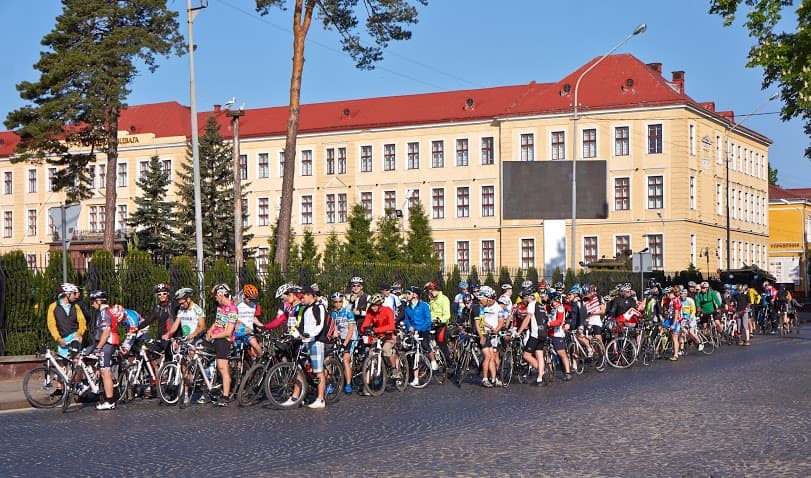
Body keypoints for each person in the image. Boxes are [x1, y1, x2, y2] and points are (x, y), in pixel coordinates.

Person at [205, 283, 238, 406]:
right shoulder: (220, 307)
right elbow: (217, 322)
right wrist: (209, 330)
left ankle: (225, 396)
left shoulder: (233, 309)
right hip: (215, 337)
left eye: (217, 296)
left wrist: (214, 335)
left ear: (221, 295)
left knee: (222, 367)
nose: (215, 298)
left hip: (224, 339)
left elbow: (228, 331)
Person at [87, 290, 120, 410]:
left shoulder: (104, 313)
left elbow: (106, 332)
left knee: (105, 372)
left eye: (93, 302)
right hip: (105, 344)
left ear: (99, 301)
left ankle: (110, 401)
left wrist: (98, 347)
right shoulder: (104, 311)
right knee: (103, 370)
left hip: (106, 344)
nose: (92, 305)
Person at [299, 285, 330, 409]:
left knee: (318, 371)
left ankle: (321, 398)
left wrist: (310, 335)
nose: (302, 299)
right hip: (306, 341)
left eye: (303, 296)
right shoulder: (306, 309)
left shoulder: (319, 307)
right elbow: (303, 326)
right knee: (304, 367)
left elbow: (320, 325)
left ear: (310, 295)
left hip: (316, 341)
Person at [361, 293, 401, 384]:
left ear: (380, 305)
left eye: (375, 306)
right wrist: (365, 329)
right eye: (371, 306)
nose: (373, 308)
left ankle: (394, 369)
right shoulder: (370, 312)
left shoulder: (388, 310)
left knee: (386, 350)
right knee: (371, 355)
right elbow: (365, 325)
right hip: (377, 337)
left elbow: (391, 326)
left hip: (388, 336)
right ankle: (367, 384)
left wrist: (376, 330)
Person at [515, 287, 548, 385]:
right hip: (543, 333)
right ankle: (540, 379)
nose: (523, 300)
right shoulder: (541, 305)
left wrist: (519, 332)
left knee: (526, 355)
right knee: (539, 355)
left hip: (535, 334)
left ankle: (541, 371)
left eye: (524, 298)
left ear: (527, 297)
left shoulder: (531, 304)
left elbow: (527, 319)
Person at [404, 286, 436, 386]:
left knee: (425, 344)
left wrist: (420, 328)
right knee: (414, 355)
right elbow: (407, 320)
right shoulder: (407, 308)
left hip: (424, 329)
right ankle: (416, 378)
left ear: (415, 295)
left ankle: (433, 360)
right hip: (414, 331)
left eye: (409, 293)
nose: (407, 295)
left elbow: (428, 320)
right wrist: (409, 327)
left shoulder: (424, 306)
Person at [47, 283, 87, 359]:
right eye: (73, 293)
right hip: (62, 338)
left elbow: (82, 321)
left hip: (74, 336)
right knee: (65, 362)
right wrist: (58, 338)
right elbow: (51, 324)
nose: (75, 296)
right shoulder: (53, 307)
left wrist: (80, 333)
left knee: (75, 358)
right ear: (67, 294)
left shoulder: (76, 307)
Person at [330, 292, 358, 394]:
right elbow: (334, 329)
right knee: (331, 357)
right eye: (336, 302)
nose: (338, 304)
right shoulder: (333, 313)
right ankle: (330, 383)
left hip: (351, 338)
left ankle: (348, 384)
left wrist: (345, 343)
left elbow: (351, 330)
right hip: (340, 338)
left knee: (345, 359)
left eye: (340, 302)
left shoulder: (348, 312)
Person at [476, 286, 503, 388]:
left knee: (494, 357)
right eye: (488, 299)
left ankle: (494, 377)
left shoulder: (498, 308)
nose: (489, 301)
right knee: (488, 356)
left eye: (491, 299)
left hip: (493, 334)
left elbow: (501, 321)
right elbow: (479, 322)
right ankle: (486, 377)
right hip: (484, 333)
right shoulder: (481, 307)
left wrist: (496, 329)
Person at [424, 281, 450, 370]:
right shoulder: (432, 300)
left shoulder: (444, 299)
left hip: (440, 325)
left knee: (441, 343)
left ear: (433, 290)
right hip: (431, 324)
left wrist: (440, 320)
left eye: (429, 291)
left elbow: (447, 315)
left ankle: (448, 363)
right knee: (425, 340)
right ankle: (432, 360)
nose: (428, 294)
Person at [547, 291, 572, 381]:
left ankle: (568, 372)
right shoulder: (551, 308)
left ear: (557, 300)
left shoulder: (560, 308)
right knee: (547, 353)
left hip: (557, 334)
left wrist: (549, 324)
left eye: (552, 301)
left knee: (561, 353)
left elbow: (559, 321)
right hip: (549, 333)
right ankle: (550, 373)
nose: (551, 302)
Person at [235, 284, 264, 358]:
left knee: (255, 345)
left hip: (249, 331)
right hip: (239, 329)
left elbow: (253, 318)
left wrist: (262, 326)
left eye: (253, 299)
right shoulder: (238, 305)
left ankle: (262, 360)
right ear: (245, 296)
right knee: (239, 353)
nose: (251, 301)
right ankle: (239, 368)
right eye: (250, 299)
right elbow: (234, 318)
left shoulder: (254, 305)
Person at [662, 287, 683, 361]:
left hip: (676, 320)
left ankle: (676, 355)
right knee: (662, 328)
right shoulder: (671, 300)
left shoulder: (676, 300)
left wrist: (674, 324)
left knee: (675, 337)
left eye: (666, 294)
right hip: (670, 318)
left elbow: (677, 313)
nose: (666, 295)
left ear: (670, 293)